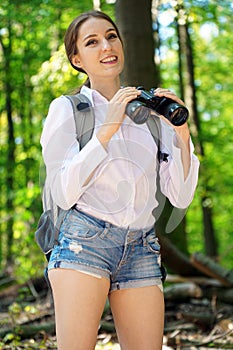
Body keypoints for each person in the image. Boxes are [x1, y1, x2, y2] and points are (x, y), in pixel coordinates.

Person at [40, 10, 199, 350]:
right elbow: (63, 192)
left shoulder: (152, 115)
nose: (106, 46)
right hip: (85, 243)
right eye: (92, 42)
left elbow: (181, 197)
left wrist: (182, 136)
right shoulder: (67, 109)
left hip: (142, 246)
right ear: (76, 59)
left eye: (111, 36)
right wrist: (107, 131)